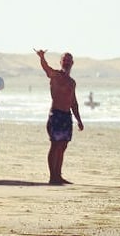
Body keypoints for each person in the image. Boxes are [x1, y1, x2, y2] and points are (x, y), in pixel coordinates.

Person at [34, 48, 84, 184]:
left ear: (72, 63)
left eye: (69, 60)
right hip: (55, 114)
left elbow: (74, 102)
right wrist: (42, 57)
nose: (66, 62)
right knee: (55, 145)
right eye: (64, 60)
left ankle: (58, 175)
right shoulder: (55, 75)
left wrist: (79, 120)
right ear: (61, 62)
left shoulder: (72, 82)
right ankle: (52, 177)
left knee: (63, 146)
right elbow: (46, 68)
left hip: (67, 116)